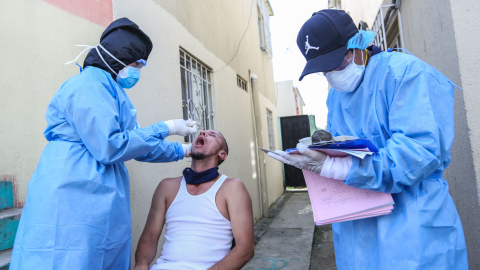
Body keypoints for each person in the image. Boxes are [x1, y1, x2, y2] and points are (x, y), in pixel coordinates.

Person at [267, 9, 468, 269]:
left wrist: (338, 166)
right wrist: (318, 155)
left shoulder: (407, 73)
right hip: (356, 231)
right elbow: (345, 147)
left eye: (337, 63)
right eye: (324, 70)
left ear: (359, 44)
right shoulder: (336, 97)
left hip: (413, 232)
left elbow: (418, 154)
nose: (332, 74)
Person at [10, 18, 197, 270]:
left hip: (99, 192)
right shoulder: (89, 85)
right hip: (71, 188)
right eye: (136, 63)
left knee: (98, 255)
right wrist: (167, 128)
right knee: (66, 257)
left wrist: (183, 150)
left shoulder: (112, 90)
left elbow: (133, 142)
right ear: (117, 58)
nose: (137, 70)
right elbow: (110, 146)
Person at [134, 130, 255, 270]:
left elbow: (246, 248)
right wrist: (141, 264)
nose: (203, 133)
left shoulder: (232, 188)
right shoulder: (166, 187)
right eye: (202, 133)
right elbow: (150, 236)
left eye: (212, 135)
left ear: (222, 154)